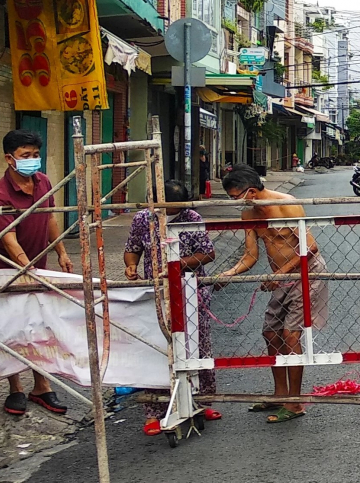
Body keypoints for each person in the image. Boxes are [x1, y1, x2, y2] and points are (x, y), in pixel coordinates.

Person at [217, 164, 329, 423]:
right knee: (270, 332)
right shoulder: (249, 215)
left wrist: (279, 275)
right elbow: (250, 255)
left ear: (252, 191)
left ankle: (294, 402)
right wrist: (229, 274)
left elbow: (310, 248)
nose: (236, 203)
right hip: (281, 278)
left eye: (237, 197)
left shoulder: (287, 204)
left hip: (306, 272)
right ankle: (280, 394)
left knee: (291, 335)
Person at [124, 179, 222, 436]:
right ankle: (155, 411)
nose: (167, 213)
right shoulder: (142, 219)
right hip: (157, 293)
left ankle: (202, 402)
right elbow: (132, 249)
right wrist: (132, 266)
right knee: (158, 348)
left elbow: (208, 254)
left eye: (173, 209)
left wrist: (176, 266)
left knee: (197, 345)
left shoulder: (192, 218)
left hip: (191, 292)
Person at [0, 130, 74, 416]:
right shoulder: (1, 194)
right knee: (10, 328)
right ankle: (15, 388)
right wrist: (26, 266)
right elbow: (8, 238)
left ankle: (42, 386)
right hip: (6, 269)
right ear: (9, 159)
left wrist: (61, 253)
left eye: (35, 155)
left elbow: (50, 218)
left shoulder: (43, 182)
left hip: (38, 264)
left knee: (39, 325)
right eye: (26, 156)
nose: (33, 161)